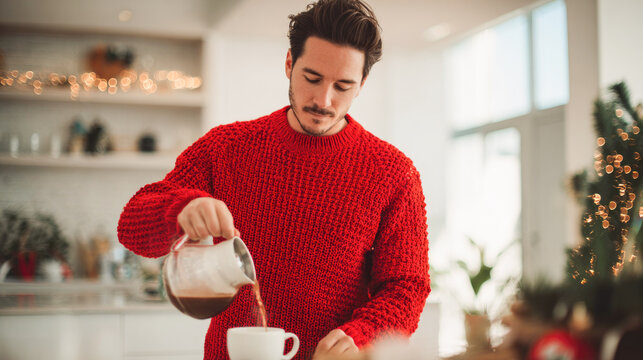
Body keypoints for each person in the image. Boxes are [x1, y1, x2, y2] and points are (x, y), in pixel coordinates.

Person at [117, 0, 430, 359]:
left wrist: (360, 334)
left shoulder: (393, 173)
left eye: (342, 86)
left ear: (362, 83)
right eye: (312, 78)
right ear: (288, 64)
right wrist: (180, 209)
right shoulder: (225, 148)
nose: (323, 100)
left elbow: (406, 287)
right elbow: (131, 227)